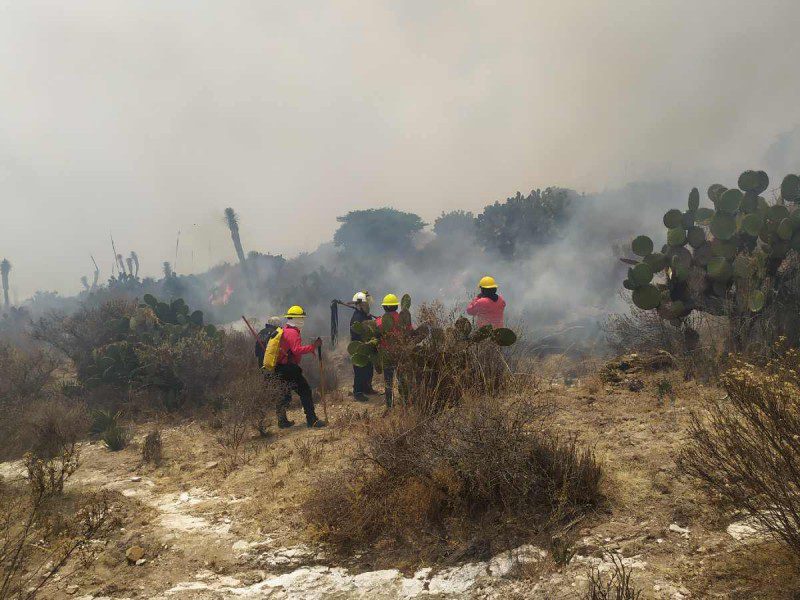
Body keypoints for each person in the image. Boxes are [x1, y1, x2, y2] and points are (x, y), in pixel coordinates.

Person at [274, 305, 326, 429]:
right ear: (297, 319)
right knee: (305, 391)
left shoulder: (285, 330)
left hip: (280, 367)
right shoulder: (292, 332)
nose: (303, 321)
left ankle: (282, 421)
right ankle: (312, 420)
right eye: (302, 318)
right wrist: (313, 347)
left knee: (284, 394)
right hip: (289, 368)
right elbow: (296, 350)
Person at [375, 294, 412, 408]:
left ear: (384, 307)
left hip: (387, 356)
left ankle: (389, 406)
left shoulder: (380, 321)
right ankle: (405, 403)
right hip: (401, 354)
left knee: (388, 382)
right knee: (402, 379)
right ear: (396, 306)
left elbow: (376, 335)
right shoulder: (402, 318)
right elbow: (410, 331)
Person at [349, 291, 376, 401]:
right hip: (359, 348)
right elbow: (358, 333)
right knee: (360, 371)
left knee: (369, 369)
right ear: (360, 305)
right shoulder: (357, 318)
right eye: (365, 304)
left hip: (367, 347)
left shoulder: (365, 316)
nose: (368, 306)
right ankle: (358, 392)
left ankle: (367, 388)